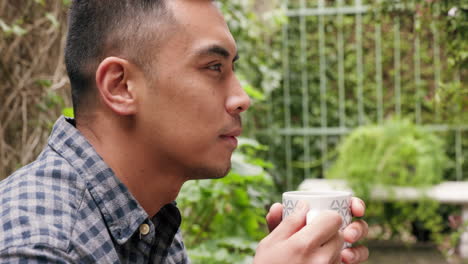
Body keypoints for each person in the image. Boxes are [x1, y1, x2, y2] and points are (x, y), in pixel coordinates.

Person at [0, 0, 369, 263]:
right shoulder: (40, 245)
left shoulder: (148, 222)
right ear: (121, 86)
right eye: (213, 67)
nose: (241, 98)